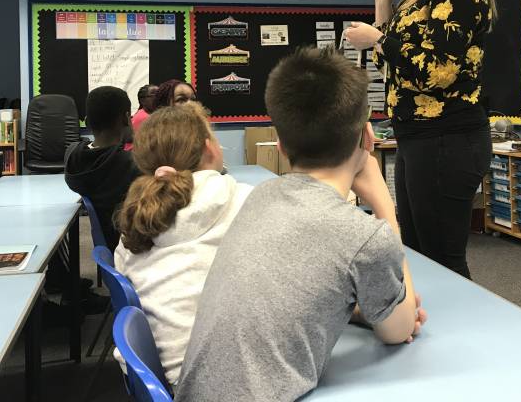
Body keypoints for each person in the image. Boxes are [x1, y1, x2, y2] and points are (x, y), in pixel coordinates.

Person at [175, 47, 426, 402]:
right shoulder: (364, 236)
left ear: (279, 144)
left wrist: (356, 311)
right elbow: (399, 329)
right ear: (366, 138)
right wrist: (383, 203)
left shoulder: (260, 197)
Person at [345, 0, 495, 278]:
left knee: (442, 260)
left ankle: (458, 321)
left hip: (447, 139)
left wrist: (378, 38)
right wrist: (383, 2)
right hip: (420, 137)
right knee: (419, 254)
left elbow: (439, 72)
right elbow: (395, 71)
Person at [114, 101, 251, 389]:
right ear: (209, 148)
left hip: (167, 380)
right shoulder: (243, 199)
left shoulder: (137, 216)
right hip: (230, 379)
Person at [65, 86, 140, 251]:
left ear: (87, 121)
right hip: (129, 248)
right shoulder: (132, 165)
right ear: (126, 118)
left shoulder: (72, 156)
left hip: (106, 246)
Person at [124, 83, 157, 152]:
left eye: (160, 94)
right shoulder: (145, 118)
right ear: (142, 101)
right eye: (154, 95)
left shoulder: (151, 115)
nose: (158, 97)